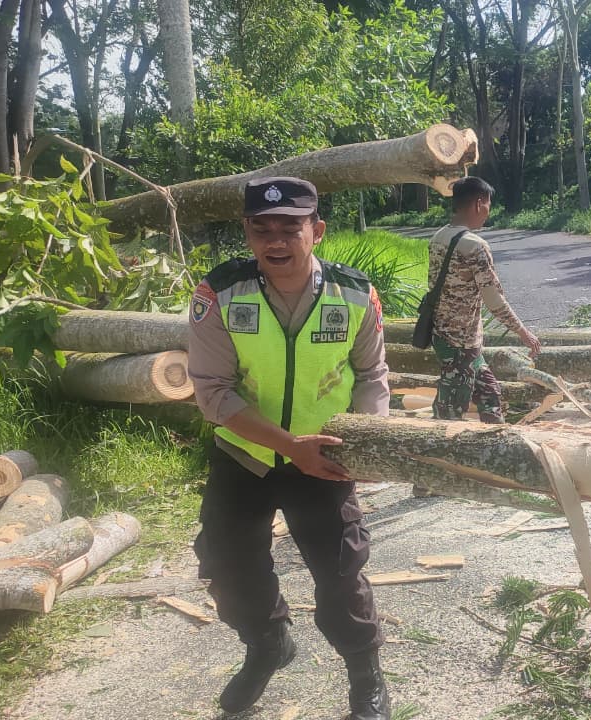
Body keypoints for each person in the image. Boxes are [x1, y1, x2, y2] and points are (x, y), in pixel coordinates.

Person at [187, 177, 392, 720]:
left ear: (316, 231)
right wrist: (285, 445)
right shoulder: (219, 293)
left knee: (340, 572)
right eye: (263, 229)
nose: (276, 241)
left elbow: (371, 374)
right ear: (248, 233)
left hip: (324, 460)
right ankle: (267, 643)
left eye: (290, 228)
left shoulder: (354, 294)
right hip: (243, 456)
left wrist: (368, 443)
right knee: (228, 565)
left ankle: (365, 677)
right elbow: (212, 392)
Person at [428, 176, 540, 423]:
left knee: (490, 393)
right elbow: (494, 301)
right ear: (479, 203)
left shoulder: (438, 237)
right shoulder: (474, 246)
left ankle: (495, 441)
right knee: (449, 411)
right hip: (458, 343)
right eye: (488, 204)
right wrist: (524, 333)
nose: (488, 212)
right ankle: (442, 454)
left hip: (451, 337)